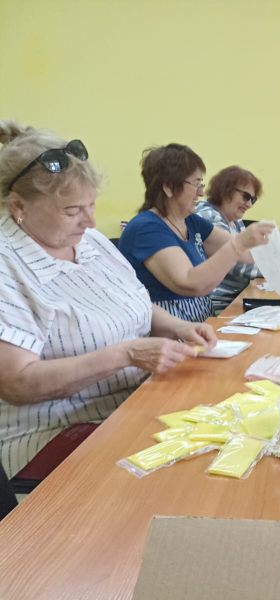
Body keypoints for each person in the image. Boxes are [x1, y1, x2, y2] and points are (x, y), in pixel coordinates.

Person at [0, 121, 217, 480]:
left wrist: (179, 326)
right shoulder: (8, 266)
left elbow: (129, 302)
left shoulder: (90, 242)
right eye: (72, 211)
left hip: (133, 406)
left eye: (91, 205)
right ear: (19, 207)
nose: (90, 221)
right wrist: (126, 354)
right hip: (59, 438)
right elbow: (18, 384)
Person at [118, 144, 273, 322]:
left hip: (200, 322)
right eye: (196, 184)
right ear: (168, 187)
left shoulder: (190, 221)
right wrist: (237, 244)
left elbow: (247, 254)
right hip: (168, 330)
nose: (201, 192)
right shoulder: (147, 228)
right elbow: (191, 283)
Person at [196, 166, 280, 314]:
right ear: (226, 190)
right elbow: (239, 265)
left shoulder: (234, 221)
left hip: (237, 297)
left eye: (253, 199)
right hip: (219, 304)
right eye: (246, 197)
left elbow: (256, 250)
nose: (249, 205)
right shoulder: (209, 217)